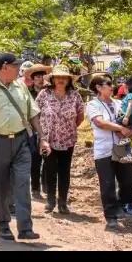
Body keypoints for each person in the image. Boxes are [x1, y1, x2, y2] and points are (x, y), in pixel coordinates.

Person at [0, 53, 48, 241]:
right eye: (15, 66)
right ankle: (3, 224)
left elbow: (33, 115)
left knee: (22, 183)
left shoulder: (20, 86)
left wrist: (43, 138)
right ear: (5, 67)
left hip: (21, 140)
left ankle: (25, 228)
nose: (19, 70)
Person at [86, 74, 132, 229]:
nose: (112, 86)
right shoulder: (92, 105)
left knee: (130, 179)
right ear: (98, 87)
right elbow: (100, 122)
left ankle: (124, 204)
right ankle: (111, 216)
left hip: (123, 148)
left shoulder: (119, 103)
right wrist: (121, 128)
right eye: (108, 84)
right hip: (104, 150)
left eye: (112, 83)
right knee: (107, 184)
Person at [36, 65, 84, 214]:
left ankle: (63, 202)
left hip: (68, 140)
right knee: (49, 170)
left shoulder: (75, 95)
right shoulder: (44, 94)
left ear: (69, 80)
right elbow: (35, 114)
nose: (61, 80)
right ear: (53, 79)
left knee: (65, 171)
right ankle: (50, 201)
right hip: (47, 139)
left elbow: (80, 116)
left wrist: (67, 128)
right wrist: (42, 133)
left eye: (64, 77)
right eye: (58, 77)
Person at [24, 63, 50, 199]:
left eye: (42, 77)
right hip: (32, 130)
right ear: (32, 80)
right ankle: (35, 188)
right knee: (35, 159)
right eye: (38, 77)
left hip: (48, 130)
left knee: (48, 158)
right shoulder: (27, 92)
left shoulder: (50, 91)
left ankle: (46, 184)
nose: (40, 79)